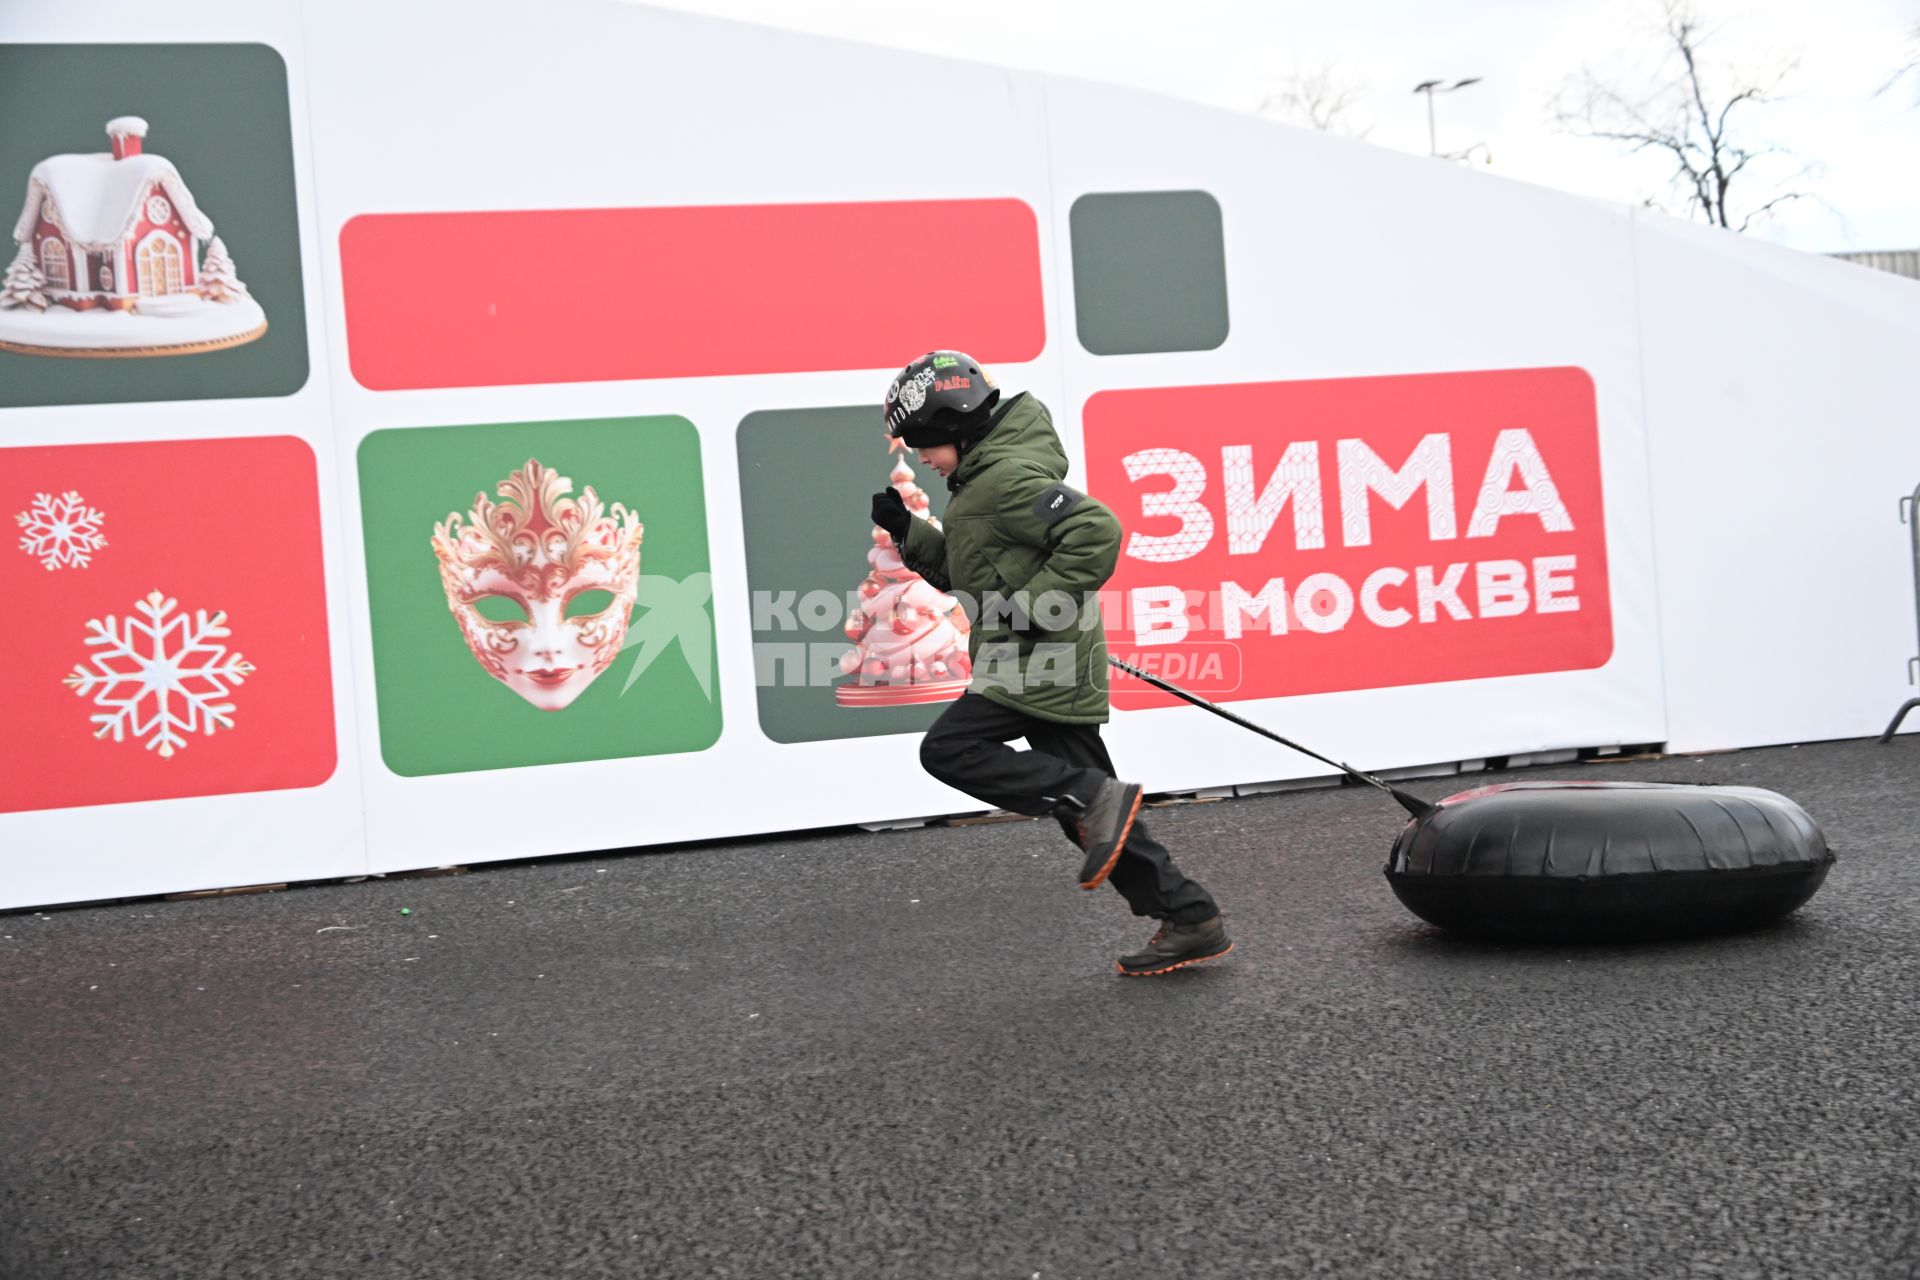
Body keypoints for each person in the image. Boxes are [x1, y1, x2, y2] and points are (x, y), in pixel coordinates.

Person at [870, 350, 1232, 976]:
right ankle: (1190, 916)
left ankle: (1101, 804)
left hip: (1038, 663)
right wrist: (911, 533)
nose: (922, 458)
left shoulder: (1003, 480)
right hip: (1037, 662)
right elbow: (971, 573)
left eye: (926, 443)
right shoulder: (980, 484)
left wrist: (1033, 611)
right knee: (1090, 816)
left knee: (951, 751)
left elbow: (1097, 530)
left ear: (956, 427)